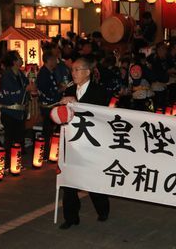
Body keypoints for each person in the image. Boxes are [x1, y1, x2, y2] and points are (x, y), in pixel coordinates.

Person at [58, 57, 110, 229]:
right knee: (69, 181)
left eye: (77, 70)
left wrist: (76, 103)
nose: (73, 73)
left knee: (92, 179)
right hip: (72, 142)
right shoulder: (70, 90)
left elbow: (96, 114)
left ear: (87, 72)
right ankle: (71, 217)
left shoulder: (100, 91)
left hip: (91, 143)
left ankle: (103, 209)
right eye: (72, 70)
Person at [0, 51, 35, 155]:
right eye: (19, 57)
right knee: (10, 140)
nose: (22, 59)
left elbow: (26, 87)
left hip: (20, 112)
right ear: (14, 61)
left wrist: (30, 89)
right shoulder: (6, 76)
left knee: (19, 138)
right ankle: (7, 163)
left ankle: (17, 162)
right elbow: (10, 93)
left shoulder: (20, 74)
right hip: (9, 112)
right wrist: (26, 89)